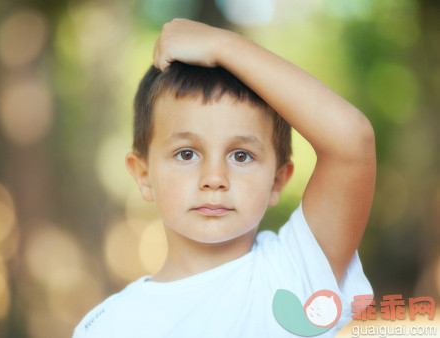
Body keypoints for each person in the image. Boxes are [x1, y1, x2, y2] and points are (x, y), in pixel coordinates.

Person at [73, 18, 375, 337]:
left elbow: (352, 142)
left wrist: (223, 46)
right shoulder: (108, 326)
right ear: (144, 175)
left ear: (277, 181)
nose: (214, 178)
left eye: (241, 155)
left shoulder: (296, 272)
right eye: (186, 153)